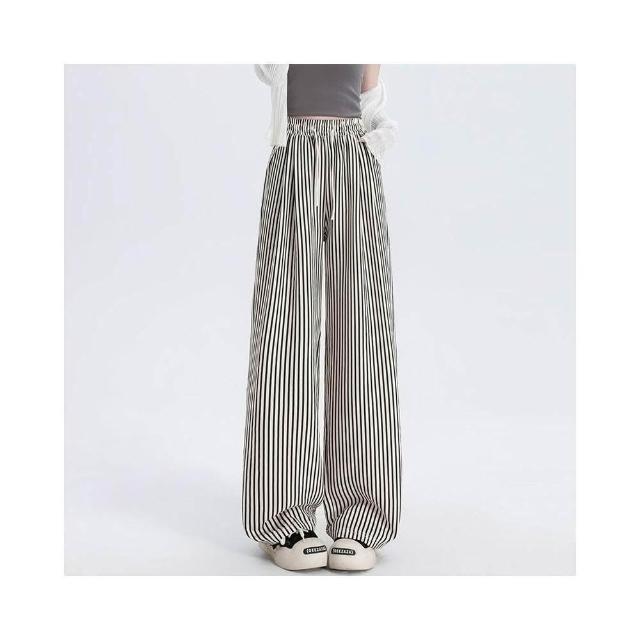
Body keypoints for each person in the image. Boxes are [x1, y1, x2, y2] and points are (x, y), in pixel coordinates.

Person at [243, 64, 401, 571]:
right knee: (283, 335)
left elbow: (369, 91)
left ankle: (361, 516)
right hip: (294, 157)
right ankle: (284, 518)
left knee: (362, 333)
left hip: (354, 156)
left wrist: (370, 143)